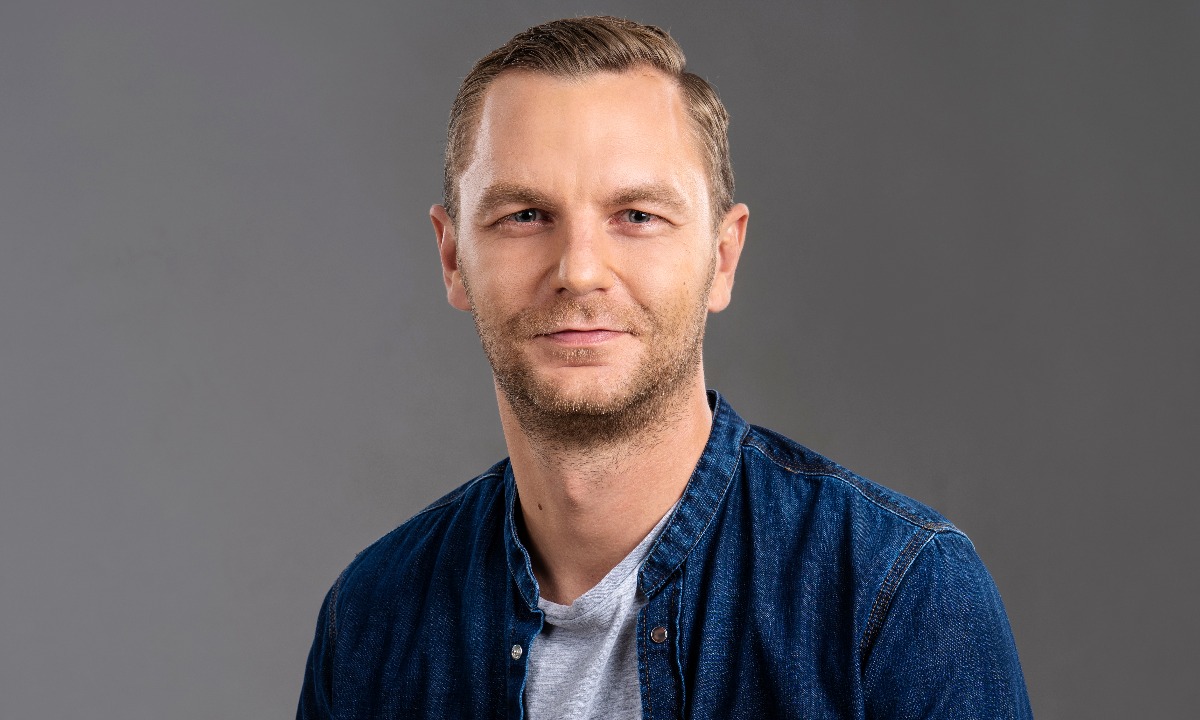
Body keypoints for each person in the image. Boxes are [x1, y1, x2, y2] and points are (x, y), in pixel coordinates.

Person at [297, 16, 1031, 720]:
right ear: (454, 257)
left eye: (638, 216)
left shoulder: (897, 595)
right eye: (524, 215)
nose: (580, 271)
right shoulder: (368, 621)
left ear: (723, 256)